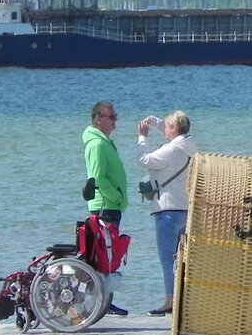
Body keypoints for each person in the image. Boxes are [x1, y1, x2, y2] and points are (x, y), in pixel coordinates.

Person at [136, 110, 197, 316]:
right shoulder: (189, 145)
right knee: (182, 258)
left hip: (167, 209)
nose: (165, 129)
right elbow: (173, 132)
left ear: (174, 128)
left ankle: (170, 300)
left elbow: (143, 159)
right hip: (185, 209)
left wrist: (142, 138)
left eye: (167, 126)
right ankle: (183, 298)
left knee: (167, 259)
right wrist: (155, 122)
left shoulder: (171, 150)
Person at [83, 100, 128, 316]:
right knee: (104, 254)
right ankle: (102, 302)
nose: (115, 121)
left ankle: (105, 299)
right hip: (104, 206)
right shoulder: (97, 144)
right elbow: (98, 178)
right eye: (111, 117)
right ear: (99, 119)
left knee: (108, 255)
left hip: (111, 205)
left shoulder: (104, 142)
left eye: (115, 116)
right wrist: (117, 197)